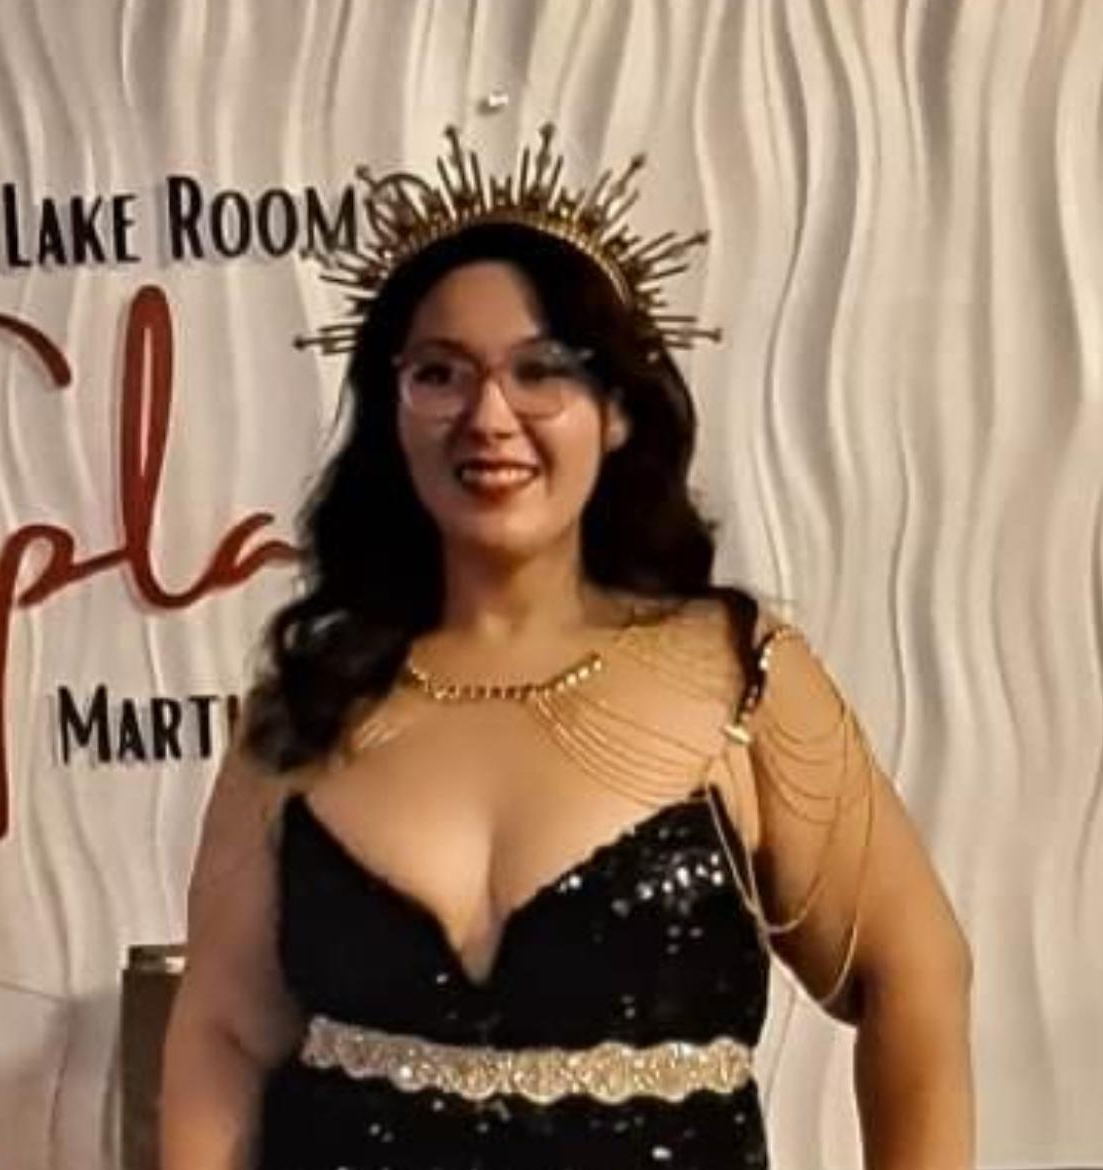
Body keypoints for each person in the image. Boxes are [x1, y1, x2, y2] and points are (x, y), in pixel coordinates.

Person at [160, 127, 974, 1170]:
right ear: (390, 409)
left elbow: (916, 972)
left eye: (543, 369)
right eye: (440, 374)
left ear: (618, 410)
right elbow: (224, 1035)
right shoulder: (307, 705)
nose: (488, 416)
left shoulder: (739, 678)